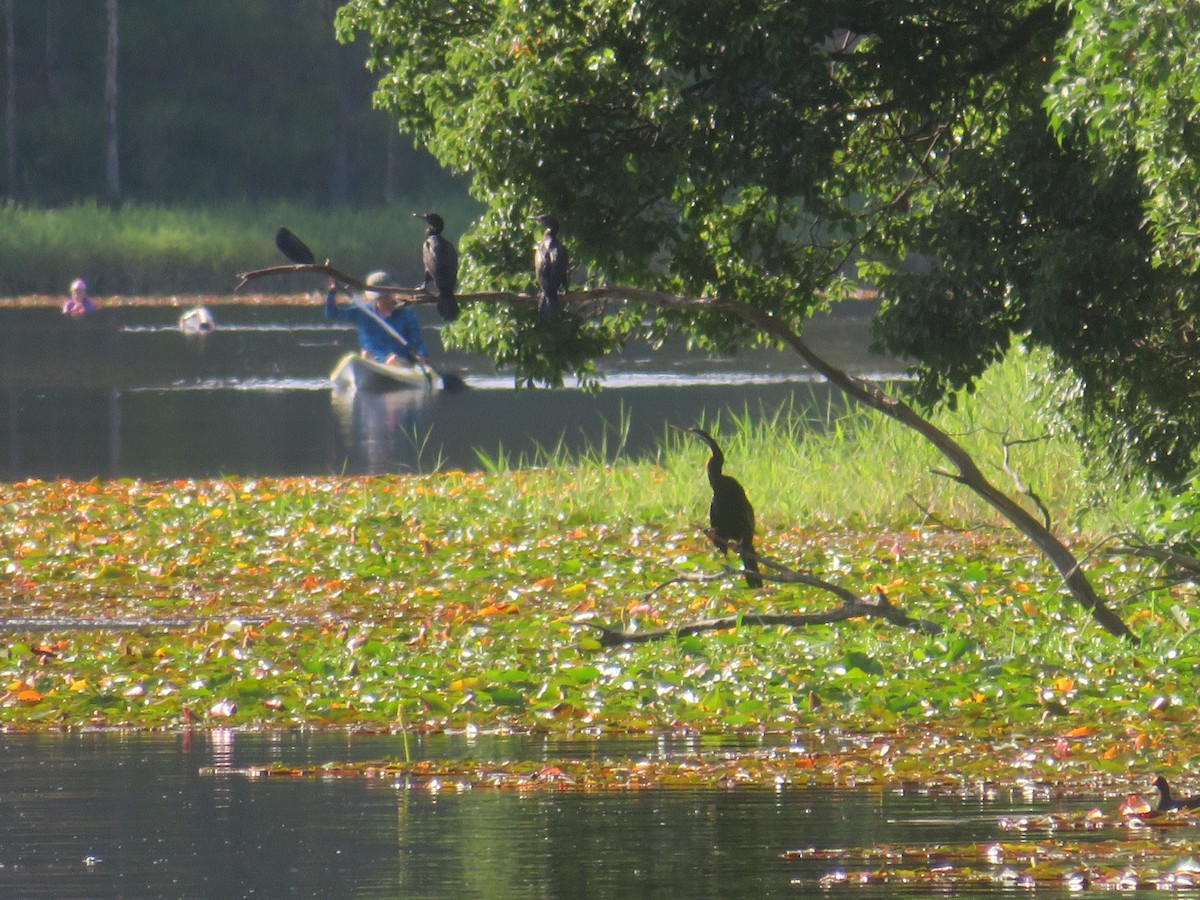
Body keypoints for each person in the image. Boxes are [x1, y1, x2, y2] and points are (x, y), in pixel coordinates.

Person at [325, 271, 429, 366]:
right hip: (372, 362)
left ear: (391, 294)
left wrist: (422, 355)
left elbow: (417, 340)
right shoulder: (363, 312)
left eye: (386, 296)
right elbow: (332, 313)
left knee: (393, 360)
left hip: (399, 361)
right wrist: (331, 292)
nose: (383, 301)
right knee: (365, 355)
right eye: (379, 298)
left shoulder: (406, 313)